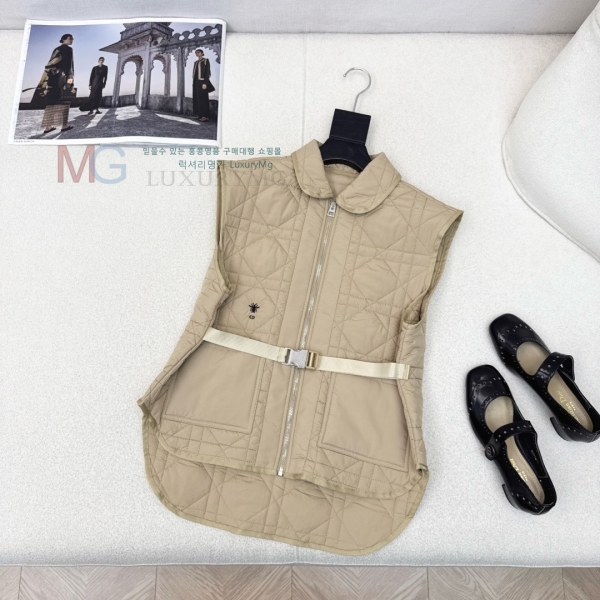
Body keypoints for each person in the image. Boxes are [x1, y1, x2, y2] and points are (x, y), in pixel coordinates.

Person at [35, 33, 75, 134]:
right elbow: (69, 66)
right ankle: (64, 125)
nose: (72, 40)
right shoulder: (68, 49)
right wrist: (70, 78)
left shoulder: (56, 49)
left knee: (51, 102)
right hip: (63, 78)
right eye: (70, 38)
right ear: (64, 39)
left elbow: (50, 64)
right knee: (64, 100)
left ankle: (48, 127)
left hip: (52, 78)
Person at [192, 49, 215, 122]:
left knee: (203, 99)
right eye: (196, 53)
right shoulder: (195, 62)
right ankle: (200, 115)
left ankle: (205, 116)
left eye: (198, 52)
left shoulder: (205, 60)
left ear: (202, 53)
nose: (197, 54)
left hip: (203, 82)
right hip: (196, 83)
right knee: (197, 99)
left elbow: (207, 72)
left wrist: (205, 83)